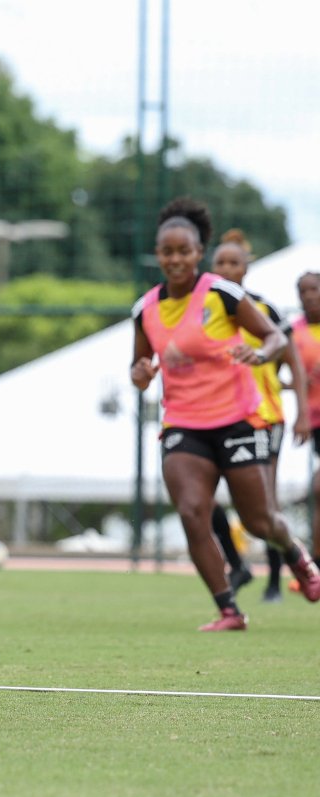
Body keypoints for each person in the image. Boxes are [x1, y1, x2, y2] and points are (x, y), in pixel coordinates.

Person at [130, 197, 320, 632]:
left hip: (236, 420)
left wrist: (258, 353)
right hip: (183, 424)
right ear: (158, 255)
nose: (175, 259)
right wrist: (140, 374)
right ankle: (229, 610)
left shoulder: (221, 293)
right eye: (167, 252)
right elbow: (139, 370)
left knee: (258, 521)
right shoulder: (145, 310)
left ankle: (296, 556)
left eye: (184, 251)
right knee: (193, 511)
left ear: (199, 253)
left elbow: (275, 337)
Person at [208, 229, 308, 603]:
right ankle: (238, 564)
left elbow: (292, 359)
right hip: (215, 417)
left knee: (264, 507)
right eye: (221, 262)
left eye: (234, 263)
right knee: (202, 498)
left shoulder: (264, 310)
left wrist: (299, 410)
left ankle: (275, 582)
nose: (227, 269)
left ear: (246, 268)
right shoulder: (200, 310)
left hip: (264, 416)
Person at [292, 272, 320, 571]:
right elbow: (282, 378)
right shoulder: (293, 333)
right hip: (313, 420)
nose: (308, 296)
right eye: (303, 291)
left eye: (314, 289)